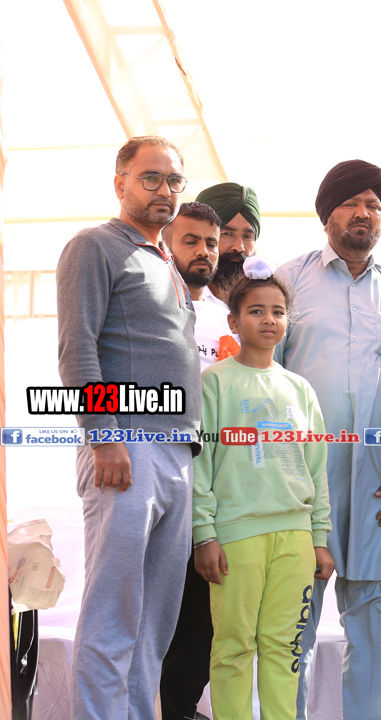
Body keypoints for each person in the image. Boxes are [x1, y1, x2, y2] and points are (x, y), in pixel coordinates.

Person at [276, 160, 381, 720]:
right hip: (302, 484)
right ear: (327, 215)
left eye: (375, 205)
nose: (364, 213)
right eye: (352, 203)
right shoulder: (288, 281)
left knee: (372, 618)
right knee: (292, 622)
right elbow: (264, 378)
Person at [56, 135, 202, 718]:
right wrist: (104, 434)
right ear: (120, 183)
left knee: (154, 626)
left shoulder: (166, 261)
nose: (165, 190)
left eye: (174, 181)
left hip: (177, 453)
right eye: (151, 178)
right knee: (113, 614)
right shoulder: (94, 246)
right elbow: (77, 349)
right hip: (126, 445)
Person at [192, 258, 334, 719]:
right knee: (233, 646)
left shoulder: (300, 389)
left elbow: (317, 468)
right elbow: (200, 464)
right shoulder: (213, 383)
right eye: (256, 311)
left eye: (278, 311)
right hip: (237, 536)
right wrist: (204, 534)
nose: (268, 319)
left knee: (284, 646)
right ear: (233, 321)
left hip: (294, 538)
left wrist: (318, 538)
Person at [159, 200, 235, 720]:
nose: (204, 251)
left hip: (216, 487)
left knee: (204, 614)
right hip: (156, 472)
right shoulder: (147, 304)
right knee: (154, 608)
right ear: (166, 244)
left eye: (211, 242)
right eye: (191, 240)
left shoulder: (228, 318)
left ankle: (179, 706)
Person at [196, 182, 262, 302]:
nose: (239, 247)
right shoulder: (178, 301)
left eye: (248, 236)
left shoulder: (266, 300)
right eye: (227, 234)